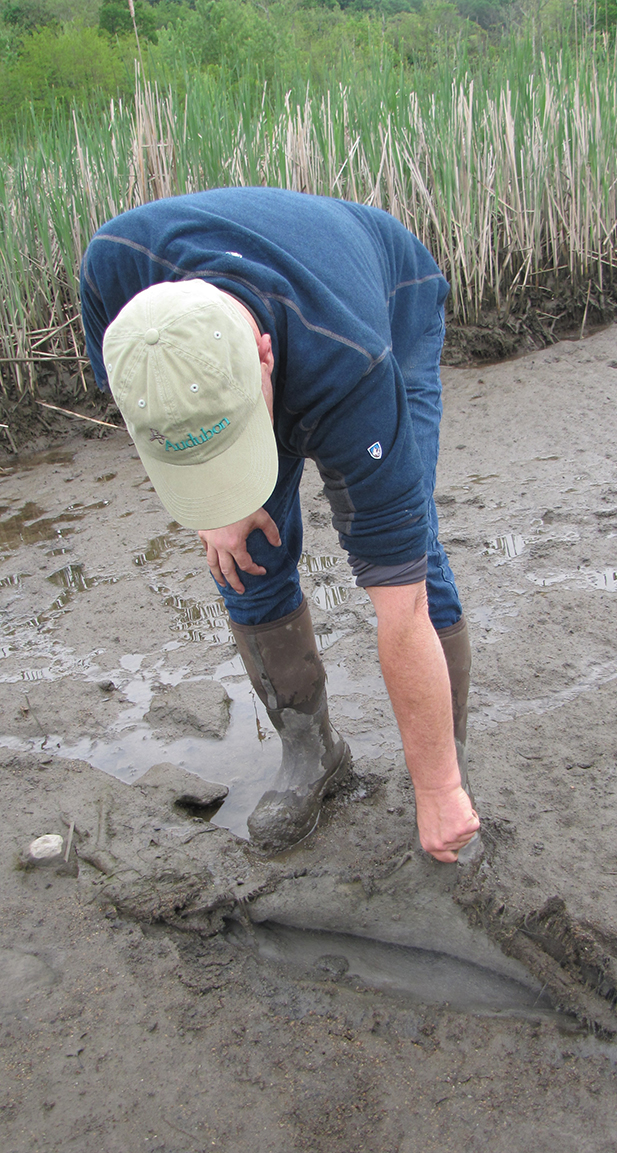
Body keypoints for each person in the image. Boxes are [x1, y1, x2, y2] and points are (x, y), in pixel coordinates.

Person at [80, 187, 480, 864]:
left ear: (264, 355)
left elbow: (400, 604)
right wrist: (215, 504)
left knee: (410, 548)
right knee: (243, 549)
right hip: (268, 328)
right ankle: (311, 749)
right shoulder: (116, 273)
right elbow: (153, 406)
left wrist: (436, 786)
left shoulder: (349, 362)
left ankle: (449, 773)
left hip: (385, 304)